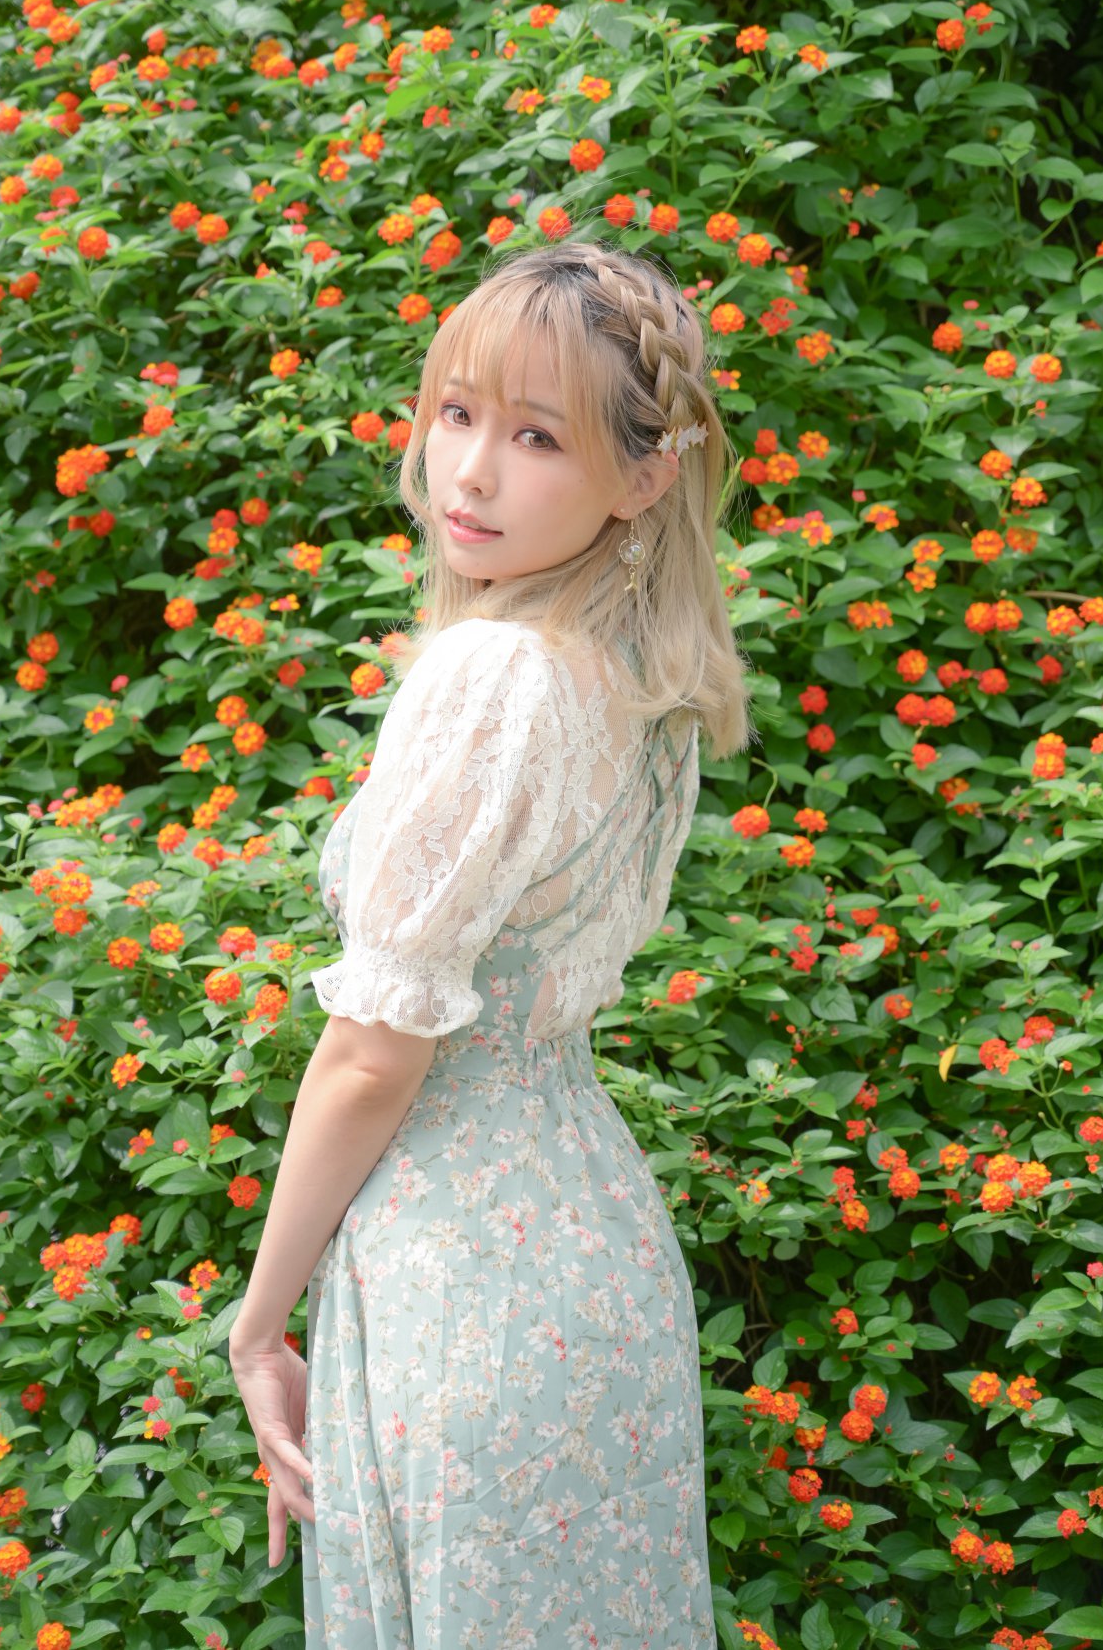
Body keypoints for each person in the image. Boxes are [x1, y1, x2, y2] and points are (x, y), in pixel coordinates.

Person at [229, 237, 754, 1647]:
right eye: (457, 412)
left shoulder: (495, 675)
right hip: (597, 1259)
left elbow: (371, 1058)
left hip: (460, 1281)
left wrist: (258, 1326)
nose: (467, 472)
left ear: (642, 478)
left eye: (536, 437)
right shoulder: (642, 687)